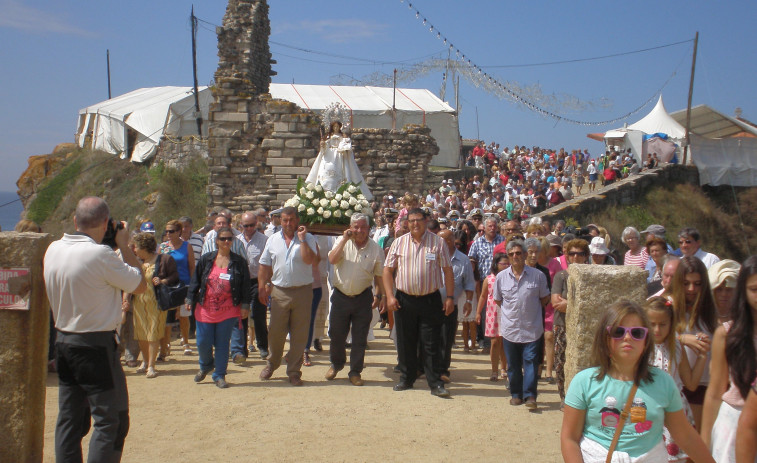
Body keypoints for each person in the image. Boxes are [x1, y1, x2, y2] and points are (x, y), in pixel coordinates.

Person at [44, 196, 146, 462]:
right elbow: (140, 284)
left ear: (75, 221)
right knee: (110, 421)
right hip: (96, 345)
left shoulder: (53, 249)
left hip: (64, 341)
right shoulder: (101, 255)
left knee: (69, 419)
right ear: (105, 224)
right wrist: (124, 247)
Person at [561, 300, 714, 462]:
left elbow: (685, 436)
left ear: (646, 340)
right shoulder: (584, 382)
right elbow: (569, 438)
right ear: (605, 338)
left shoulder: (664, 382)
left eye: (637, 333)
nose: (627, 337)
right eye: (618, 332)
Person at [383, 208, 455, 398]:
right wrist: (390, 296)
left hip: (430, 299)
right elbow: (387, 271)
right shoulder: (398, 243)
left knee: (431, 343)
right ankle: (406, 378)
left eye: (419, 220)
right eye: (411, 220)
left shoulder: (438, 242)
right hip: (404, 299)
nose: (415, 224)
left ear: (426, 220)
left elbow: (448, 271)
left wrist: (449, 297)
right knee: (405, 341)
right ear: (406, 222)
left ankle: (435, 383)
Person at [701, 256, 757, 461]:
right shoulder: (727, 334)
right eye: (754, 289)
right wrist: (705, 442)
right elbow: (715, 391)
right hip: (733, 421)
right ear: (743, 291)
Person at [258, 207, 318, 386]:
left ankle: (293, 371)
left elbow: (310, 260)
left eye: (292, 220)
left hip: (303, 291)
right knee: (276, 332)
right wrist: (262, 286)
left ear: (298, 220)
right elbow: (264, 265)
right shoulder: (272, 240)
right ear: (279, 221)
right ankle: (272, 363)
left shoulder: (308, 238)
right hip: (279, 291)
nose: (288, 224)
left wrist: (303, 241)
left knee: (299, 335)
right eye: (285, 220)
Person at [185, 227, 251, 388]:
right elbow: (196, 279)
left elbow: (245, 286)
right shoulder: (206, 259)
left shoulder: (239, 262)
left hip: (228, 309)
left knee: (222, 343)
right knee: (202, 342)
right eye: (223, 239)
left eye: (229, 238)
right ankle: (206, 365)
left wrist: (245, 305)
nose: (226, 241)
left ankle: (219, 374)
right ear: (216, 241)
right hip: (205, 308)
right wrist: (189, 297)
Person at [325, 213, 385, 386]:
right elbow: (332, 259)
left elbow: (379, 275)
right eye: (356, 227)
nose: (359, 231)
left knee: (359, 337)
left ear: (368, 228)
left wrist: (379, 294)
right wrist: (344, 240)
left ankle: (355, 371)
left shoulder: (375, 248)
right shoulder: (342, 242)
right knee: (336, 334)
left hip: (363, 297)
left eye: (363, 227)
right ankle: (336, 364)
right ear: (350, 227)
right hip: (341, 295)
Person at [645, 297, 707, 462]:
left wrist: (702, 357)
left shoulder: (676, 347)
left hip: (674, 410)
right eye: (652, 324)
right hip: (647, 409)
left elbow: (691, 384)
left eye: (663, 324)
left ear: (671, 324)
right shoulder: (641, 347)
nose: (657, 329)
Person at [493, 239, 550, 409]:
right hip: (510, 329)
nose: (515, 256)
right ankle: (516, 394)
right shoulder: (501, 277)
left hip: (532, 329)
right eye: (511, 254)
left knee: (531, 362)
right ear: (508, 257)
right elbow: (498, 300)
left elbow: (544, 298)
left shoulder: (538, 276)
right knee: (513, 365)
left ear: (525, 254)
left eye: (518, 253)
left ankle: (530, 395)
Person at [670, 256, 718, 429]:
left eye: (697, 284)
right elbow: (652, 335)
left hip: (707, 387)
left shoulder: (711, 310)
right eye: (686, 283)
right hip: (678, 388)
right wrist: (682, 338)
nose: (692, 289)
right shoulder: (668, 306)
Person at [132, 232, 178, 378]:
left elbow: (175, 277)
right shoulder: (137, 262)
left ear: (144, 247)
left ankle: (151, 365)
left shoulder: (164, 259)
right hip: (139, 302)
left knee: (152, 333)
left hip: (156, 302)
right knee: (141, 334)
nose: (134, 249)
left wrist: (163, 281)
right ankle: (145, 362)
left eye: (136, 247)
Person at [552, 238, 590, 405]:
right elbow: (556, 303)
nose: (575, 257)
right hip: (562, 325)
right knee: (560, 363)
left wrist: (570, 304)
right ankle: (564, 397)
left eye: (579, 254)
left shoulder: (590, 276)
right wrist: (579, 304)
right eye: (572, 254)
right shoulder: (561, 276)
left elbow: (594, 303)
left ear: (585, 256)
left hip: (585, 326)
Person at [438, 228, 475, 382]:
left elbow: (469, 283)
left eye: (445, 240)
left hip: (450, 305)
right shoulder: (431, 257)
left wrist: (468, 301)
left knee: (446, 339)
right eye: (439, 240)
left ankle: (443, 369)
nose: (442, 243)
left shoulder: (463, 260)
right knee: (429, 338)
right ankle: (425, 367)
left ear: (452, 240)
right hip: (429, 304)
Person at [233, 211, 269, 361]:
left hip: (257, 280)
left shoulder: (265, 240)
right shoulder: (235, 240)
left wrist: (267, 283)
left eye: (251, 225)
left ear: (257, 224)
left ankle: (262, 346)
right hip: (240, 282)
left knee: (258, 314)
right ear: (241, 225)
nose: (248, 228)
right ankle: (241, 349)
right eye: (245, 225)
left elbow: (269, 263)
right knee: (241, 316)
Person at [306, 120, 372, 199]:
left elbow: (347, 145)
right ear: (332, 127)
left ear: (340, 127)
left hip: (340, 156)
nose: (336, 128)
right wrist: (323, 145)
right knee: (325, 173)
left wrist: (343, 146)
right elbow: (324, 148)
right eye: (334, 126)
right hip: (329, 156)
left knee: (341, 173)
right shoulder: (328, 136)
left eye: (337, 126)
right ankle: (323, 190)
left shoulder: (343, 136)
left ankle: (340, 192)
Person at [160, 220, 195, 356]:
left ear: (179, 232)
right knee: (167, 316)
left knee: (184, 315)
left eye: (172, 231)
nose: (168, 234)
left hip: (184, 284)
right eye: (167, 231)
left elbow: (192, 267)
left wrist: (193, 286)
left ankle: (185, 341)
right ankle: (166, 343)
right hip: (168, 286)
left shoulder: (187, 246)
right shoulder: (163, 247)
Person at [476, 252, 509, 382]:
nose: (506, 266)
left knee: (505, 343)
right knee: (495, 342)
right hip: (493, 313)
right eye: (503, 263)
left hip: (507, 313)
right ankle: (494, 370)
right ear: (496, 264)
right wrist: (478, 312)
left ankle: (504, 368)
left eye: (508, 263)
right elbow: (483, 296)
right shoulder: (489, 279)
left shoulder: (511, 278)